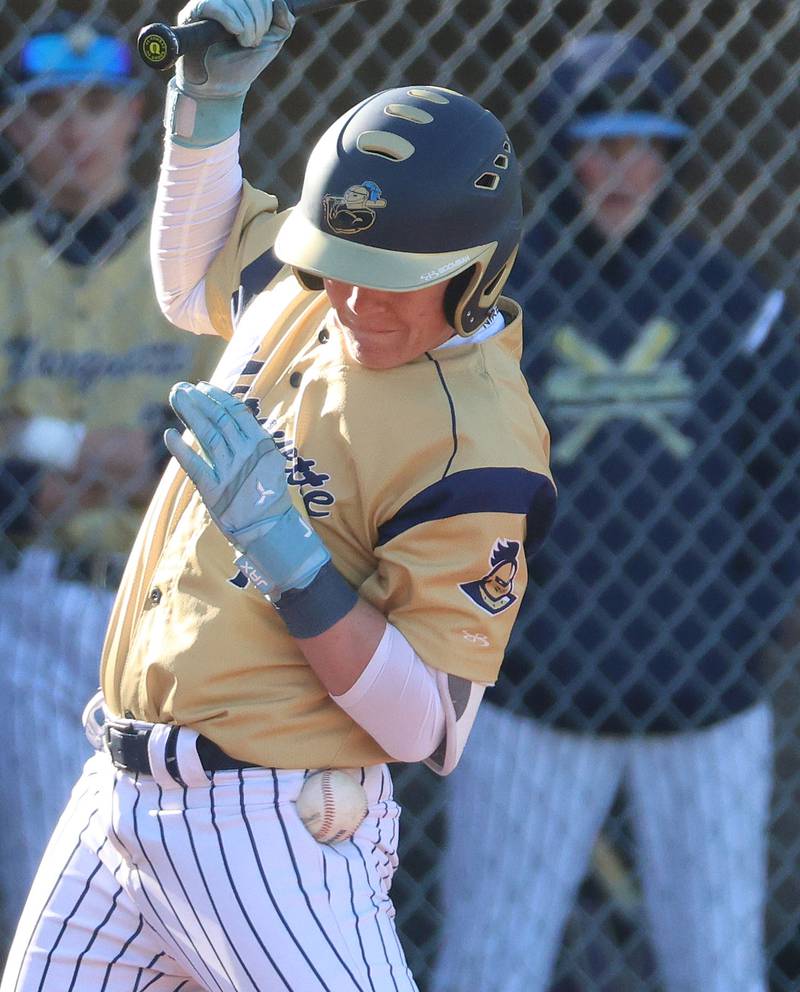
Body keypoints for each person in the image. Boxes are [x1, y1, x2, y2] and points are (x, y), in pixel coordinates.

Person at [0, 0, 556, 989]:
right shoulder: (314, 280)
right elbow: (190, 281)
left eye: (388, 277)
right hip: (113, 799)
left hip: (269, 825)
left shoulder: (481, 439)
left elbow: (422, 723)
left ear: (478, 268)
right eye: (340, 266)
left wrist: (287, 554)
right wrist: (203, 113)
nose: (353, 300)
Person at [432, 31, 800, 992]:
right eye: (597, 144)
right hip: (533, 703)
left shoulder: (733, 302)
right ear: (559, 154)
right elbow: (444, 478)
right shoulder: (498, 309)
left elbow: (786, 479)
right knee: (490, 966)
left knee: (719, 970)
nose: (621, 170)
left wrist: (740, 627)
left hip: (707, 707)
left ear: (673, 157)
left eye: (644, 144)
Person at [0, 12, 222, 953]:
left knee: (198, 891)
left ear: (137, 117)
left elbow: (239, 437)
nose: (75, 131)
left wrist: (37, 440)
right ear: (14, 126)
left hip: (183, 603)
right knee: (47, 886)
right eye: (49, 107)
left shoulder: (194, 260)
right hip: (35, 606)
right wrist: (130, 457)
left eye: (97, 104)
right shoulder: (6, 262)